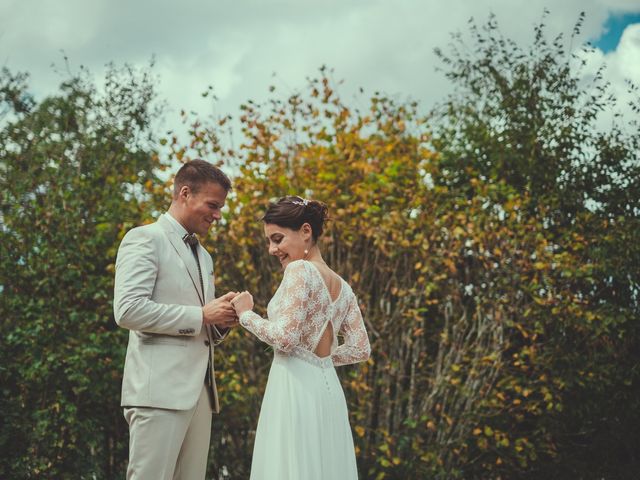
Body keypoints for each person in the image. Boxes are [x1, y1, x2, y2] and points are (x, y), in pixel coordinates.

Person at [113, 159, 238, 480]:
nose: (217, 214)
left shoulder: (204, 256)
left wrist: (220, 320)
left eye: (221, 207)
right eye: (213, 205)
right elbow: (127, 310)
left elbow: (201, 322)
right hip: (159, 392)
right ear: (185, 193)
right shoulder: (144, 238)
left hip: (200, 394)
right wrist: (201, 315)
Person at [231, 195, 371, 480]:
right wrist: (321, 359)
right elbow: (360, 348)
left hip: (294, 386)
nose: (272, 249)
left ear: (306, 231)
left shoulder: (300, 269)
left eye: (278, 239)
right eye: (270, 241)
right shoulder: (342, 286)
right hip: (327, 387)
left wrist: (247, 314)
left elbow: (285, 338)